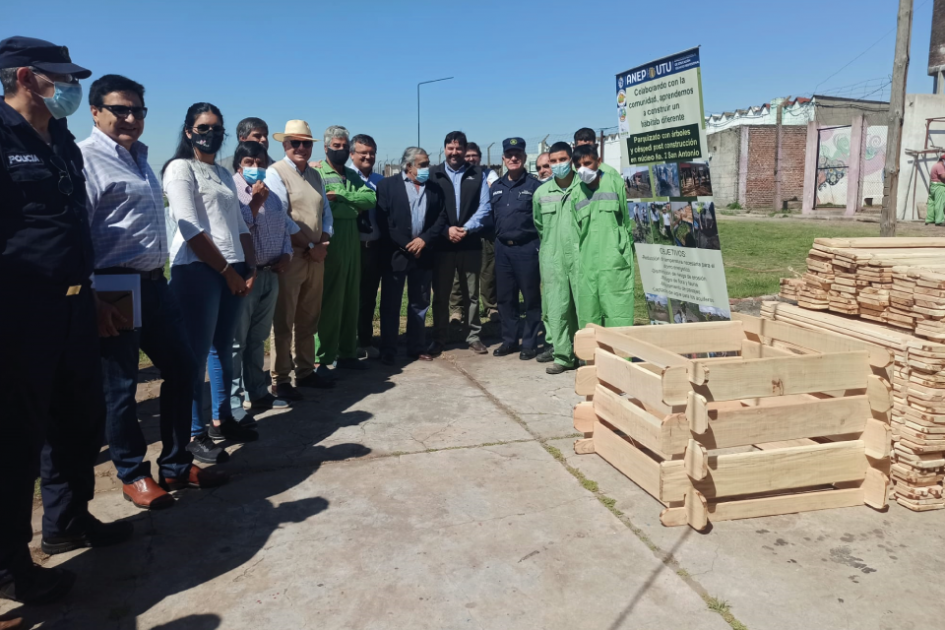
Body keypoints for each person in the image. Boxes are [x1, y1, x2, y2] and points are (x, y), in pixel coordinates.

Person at [0, 36, 132, 605]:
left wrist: (94, 297)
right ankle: (10, 569)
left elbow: (71, 224)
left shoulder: (60, 142)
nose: (72, 89)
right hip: (19, 313)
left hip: (76, 305)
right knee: (14, 444)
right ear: (26, 77)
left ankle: (68, 522)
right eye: (63, 79)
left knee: (79, 421)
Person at [80, 74, 228, 510]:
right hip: (112, 285)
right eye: (119, 109)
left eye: (137, 111)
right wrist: (92, 295)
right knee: (121, 387)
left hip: (153, 282)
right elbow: (77, 233)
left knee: (183, 368)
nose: (130, 118)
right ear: (95, 112)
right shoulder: (86, 159)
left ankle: (178, 464)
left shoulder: (141, 159)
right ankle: (132, 473)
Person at [163, 102, 260, 465]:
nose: (211, 134)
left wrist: (249, 267)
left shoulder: (220, 173)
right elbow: (190, 228)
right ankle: (194, 432)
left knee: (223, 348)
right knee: (195, 355)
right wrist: (227, 271)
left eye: (217, 128)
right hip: (200, 270)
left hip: (232, 268)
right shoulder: (180, 169)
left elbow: (238, 225)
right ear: (189, 131)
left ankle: (222, 419)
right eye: (203, 127)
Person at [230, 140, 299, 419]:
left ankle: (257, 392)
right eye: (249, 163)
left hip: (272, 273)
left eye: (260, 162)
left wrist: (287, 253)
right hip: (247, 275)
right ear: (239, 165)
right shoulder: (232, 192)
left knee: (258, 339)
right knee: (238, 341)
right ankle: (234, 401)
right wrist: (255, 201)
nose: (256, 168)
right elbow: (236, 227)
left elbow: (284, 229)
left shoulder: (273, 196)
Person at [265, 120, 334, 397]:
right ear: (285, 145)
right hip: (291, 256)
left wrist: (324, 240)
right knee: (284, 319)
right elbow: (280, 215)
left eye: (306, 143)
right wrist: (309, 244)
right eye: (296, 142)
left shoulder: (315, 175)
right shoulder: (276, 172)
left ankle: (305, 371)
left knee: (308, 316)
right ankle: (281, 378)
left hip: (315, 256)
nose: (301, 147)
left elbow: (325, 212)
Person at [312, 125, 377, 373]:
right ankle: (324, 356)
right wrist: (351, 206)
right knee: (331, 300)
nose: (340, 150)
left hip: (353, 245)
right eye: (336, 146)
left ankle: (348, 352)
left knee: (352, 298)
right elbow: (322, 207)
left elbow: (370, 199)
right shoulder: (318, 173)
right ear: (326, 147)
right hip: (332, 243)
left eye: (344, 146)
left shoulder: (351, 175)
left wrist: (340, 196)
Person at [375, 147, 447, 364]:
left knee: (420, 302)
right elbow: (385, 221)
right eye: (423, 164)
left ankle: (416, 346)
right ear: (408, 166)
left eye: (428, 163)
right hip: (396, 254)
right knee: (390, 303)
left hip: (424, 254)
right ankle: (388, 348)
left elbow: (441, 218)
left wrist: (424, 239)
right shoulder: (387, 186)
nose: (428, 168)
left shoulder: (435, 189)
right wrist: (407, 243)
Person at [430, 131, 492, 355]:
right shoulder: (433, 174)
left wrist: (465, 229)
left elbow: (485, 207)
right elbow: (430, 208)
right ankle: (439, 337)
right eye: (450, 148)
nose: (454, 152)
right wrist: (445, 230)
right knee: (441, 294)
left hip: (470, 242)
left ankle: (473, 335)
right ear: (444, 149)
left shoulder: (477, 174)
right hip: (443, 244)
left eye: (458, 148)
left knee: (471, 293)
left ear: (465, 150)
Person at [571, 143, 636, 328]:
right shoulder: (576, 193)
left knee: (618, 315)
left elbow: (627, 220)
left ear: (598, 162)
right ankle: (593, 358)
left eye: (588, 163)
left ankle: (621, 358)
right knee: (589, 317)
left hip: (615, 263)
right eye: (578, 166)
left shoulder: (615, 184)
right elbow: (577, 232)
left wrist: (623, 253)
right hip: (587, 266)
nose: (583, 169)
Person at [490, 138, 543, 360]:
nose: (513, 158)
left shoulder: (535, 187)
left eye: (517, 154)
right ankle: (509, 340)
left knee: (530, 299)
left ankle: (529, 343)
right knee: (505, 299)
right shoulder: (496, 188)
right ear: (503, 158)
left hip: (527, 249)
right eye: (509, 154)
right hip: (503, 250)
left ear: (524, 157)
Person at [533, 142, 582, 375]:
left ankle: (586, 354)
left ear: (571, 160)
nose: (557, 165)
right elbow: (539, 225)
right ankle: (563, 356)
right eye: (553, 161)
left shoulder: (585, 187)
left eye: (562, 160)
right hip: (553, 257)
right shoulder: (541, 193)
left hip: (581, 255)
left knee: (585, 307)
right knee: (557, 306)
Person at [450, 142, 499, 324]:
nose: (471, 159)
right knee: (460, 273)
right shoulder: (459, 176)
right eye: (467, 156)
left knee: (488, 273)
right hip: (464, 231)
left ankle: (491, 307)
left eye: (474, 156)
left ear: (480, 157)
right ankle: (456, 309)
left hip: (485, 231)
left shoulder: (489, 174)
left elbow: (492, 193)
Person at [350, 134, 385, 360]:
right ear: (352, 154)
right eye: (363, 152)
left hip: (374, 248)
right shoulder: (344, 177)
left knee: (369, 296)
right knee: (349, 296)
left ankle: (365, 339)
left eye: (371, 152)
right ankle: (346, 342)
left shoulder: (381, 181)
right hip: (351, 247)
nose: (368, 156)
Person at [928, 153, 945, 226]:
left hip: (933, 185)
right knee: (940, 203)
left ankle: (930, 219)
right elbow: (943, 176)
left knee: (932, 203)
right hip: (938, 186)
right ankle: (939, 221)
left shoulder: (935, 165)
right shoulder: (940, 166)